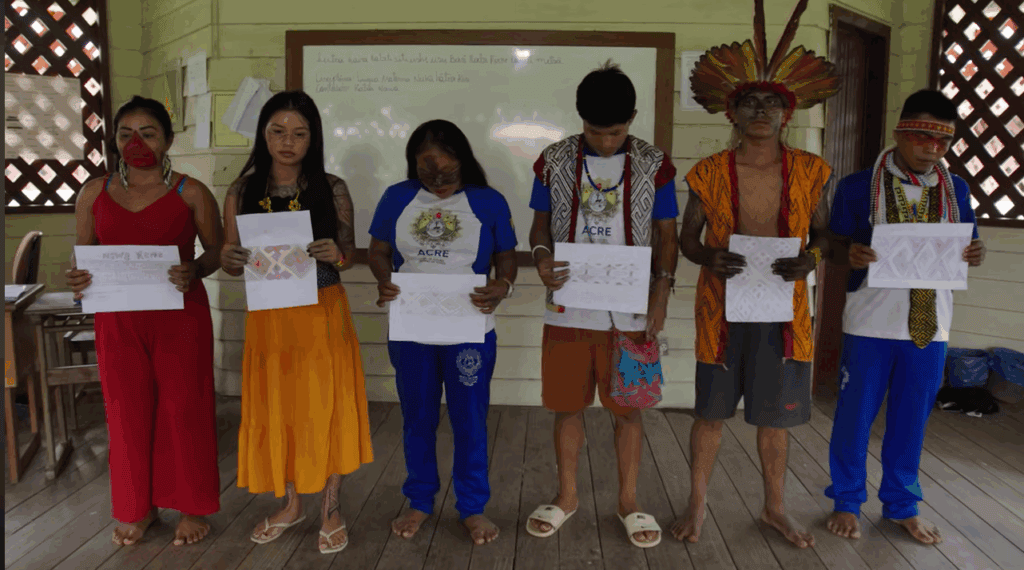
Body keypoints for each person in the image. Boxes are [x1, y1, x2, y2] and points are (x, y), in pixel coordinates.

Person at [673, 0, 840, 549]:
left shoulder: (813, 172)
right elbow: (687, 241)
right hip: (721, 311)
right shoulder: (708, 173)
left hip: (784, 313)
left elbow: (824, 237)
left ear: (787, 115)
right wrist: (707, 259)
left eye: (772, 103)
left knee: (777, 420)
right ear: (733, 113)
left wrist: (811, 258)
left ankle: (774, 508)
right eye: (751, 102)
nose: (762, 111)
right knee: (710, 416)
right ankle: (697, 507)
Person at [526, 61, 679, 548]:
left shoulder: (656, 165)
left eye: (614, 132)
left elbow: (667, 237)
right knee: (567, 406)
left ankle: (628, 501)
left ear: (632, 118)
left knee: (628, 410)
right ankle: (567, 496)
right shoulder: (553, 160)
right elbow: (539, 226)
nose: (604, 141)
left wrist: (661, 295)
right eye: (594, 131)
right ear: (579, 119)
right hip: (570, 307)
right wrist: (542, 256)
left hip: (631, 314)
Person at [825, 89, 985, 544]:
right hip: (870, 322)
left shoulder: (956, 189)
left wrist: (977, 251)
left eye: (942, 141)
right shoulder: (858, 186)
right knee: (854, 415)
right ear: (900, 133)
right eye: (921, 137)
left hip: (930, 326)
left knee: (912, 418)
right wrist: (848, 253)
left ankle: (901, 504)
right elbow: (833, 244)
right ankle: (847, 500)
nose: (931, 148)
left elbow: (969, 243)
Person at [219, 91, 374, 554]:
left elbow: (347, 253)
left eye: (300, 133)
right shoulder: (240, 191)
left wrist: (337, 254)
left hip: (323, 309)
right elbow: (230, 260)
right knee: (278, 407)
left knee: (325, 406)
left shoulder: (333, 187)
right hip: (269, 315)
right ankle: (290, 503)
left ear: (313, 138)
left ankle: (330, 506)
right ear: (263, 134)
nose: (288, 142)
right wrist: (228, 258)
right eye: (278, 131)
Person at [66, 96, 224, 546]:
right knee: (126, 412)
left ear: (168, 140)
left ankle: (192, 506)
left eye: (148, 133)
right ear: (114, 141)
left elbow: (215, 252)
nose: (136, 142)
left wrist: (196, 268)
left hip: (179, 317)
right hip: (118, 321)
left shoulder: (191, 191)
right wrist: (76, 276)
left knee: (184, 408)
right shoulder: (93, 193)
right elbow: (81, 258)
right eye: (125, 134)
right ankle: (139, 508)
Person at [368, 119, 518, 545]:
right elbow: (378, 250)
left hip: (470, 328)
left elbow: (507, 257)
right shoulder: (397, 197)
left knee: (469, 419)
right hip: (411, 327)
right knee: (418, 418)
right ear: (411, 164)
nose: (437, 180)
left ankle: (472, 507)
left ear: (464, 162)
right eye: (426, 170)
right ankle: (419, 501)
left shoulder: (487, 201)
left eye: (447, 171)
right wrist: (384, 277)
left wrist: (502, 287)